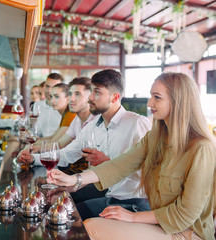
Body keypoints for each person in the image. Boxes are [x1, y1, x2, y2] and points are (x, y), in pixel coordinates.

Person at [48, 72, 216, 240]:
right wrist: (74, 180)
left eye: (157, 97)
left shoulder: (202, 148)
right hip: (159, 224)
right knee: (87, 223)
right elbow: (120, 165)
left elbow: (186, 214)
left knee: (93, 228)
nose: (150, 103)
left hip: (188, 232)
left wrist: (133, 216)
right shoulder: (156, 138)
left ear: (178, 101)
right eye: (151, 96)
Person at [18, 69, 152, 218]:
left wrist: (108, 163)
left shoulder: (138, 124)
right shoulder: (93, 126)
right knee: (58, 211)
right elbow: (68, 153)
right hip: (110, 198)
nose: (91, 98)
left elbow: (151, 170)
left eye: (97, 92)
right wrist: (34, 159)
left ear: (115, 97)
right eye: (91, 92)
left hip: (136, 204)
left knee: (69, 216)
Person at [33, 73, 64, 137]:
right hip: (41, 144)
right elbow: (36, 131)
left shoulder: (65, 108)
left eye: (54, 87)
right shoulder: (37, 105)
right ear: (43, 86)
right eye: (47, 86)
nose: (49, 91)